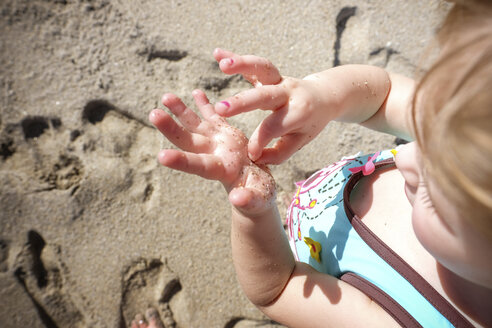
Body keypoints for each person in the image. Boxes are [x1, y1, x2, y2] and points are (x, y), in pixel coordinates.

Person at [148, 1, 492, 326]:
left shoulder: (411, 319)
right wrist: (324, 95)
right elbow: (384, 94)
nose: (405, 156)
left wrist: (255, 214)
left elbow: (279, 288)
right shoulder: (474, 116)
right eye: (427, 135)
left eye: (436, 193)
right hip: (324, 202)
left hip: (309, 269)